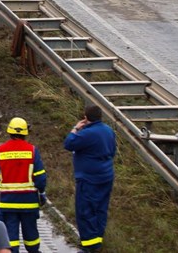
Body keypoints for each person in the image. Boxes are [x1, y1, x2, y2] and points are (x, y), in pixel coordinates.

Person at [0, 117, 47, 253]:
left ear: (9, 132)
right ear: (25, 133)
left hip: (7, 205)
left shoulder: (0, 151)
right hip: (29, 204)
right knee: (31, 236)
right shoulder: (32, 151)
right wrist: (42, 193)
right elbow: (40, 178)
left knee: (10, 238)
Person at [64, 104, 116, 253]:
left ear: (86, 118)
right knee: (101, 208)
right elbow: (112, 151)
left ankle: (88, 246)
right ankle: (98, 240)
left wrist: (76, 128)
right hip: (106, 176)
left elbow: (68, 143)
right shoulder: (108, 131)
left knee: (85, 210)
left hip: (89, 179)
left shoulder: (86, 134)